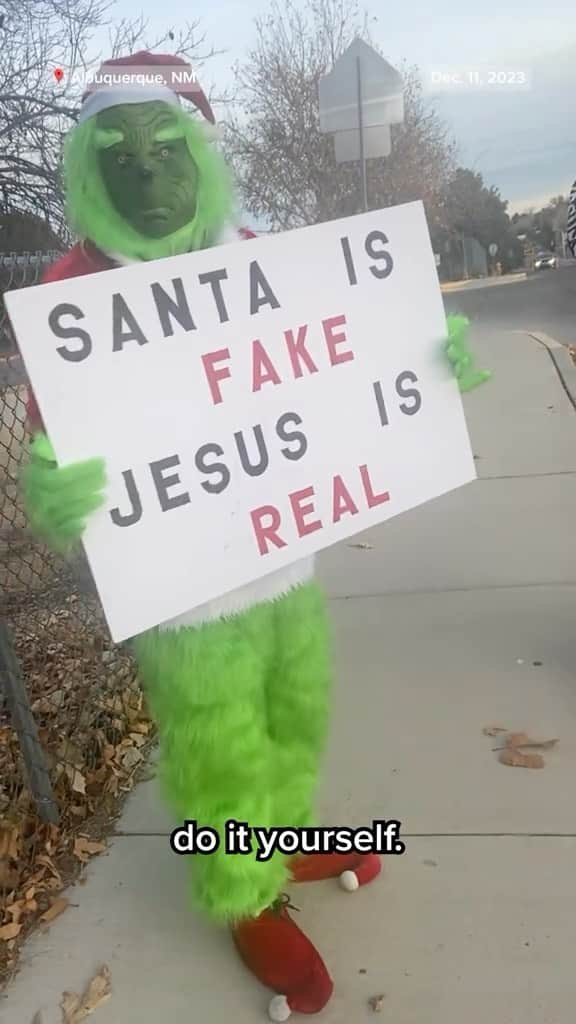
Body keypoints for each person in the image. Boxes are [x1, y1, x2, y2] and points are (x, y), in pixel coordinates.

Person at [20, 50, 490, 1021]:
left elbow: (348, 351)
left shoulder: (256, 251)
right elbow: (46, 436)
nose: (146, 174)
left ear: (201, 147)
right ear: (86, 168)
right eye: (118, 153)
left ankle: (278, 835)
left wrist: (430, 362)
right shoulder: (75, 293)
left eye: (166, 149)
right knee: (219, 745)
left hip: (284, 557)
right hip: (187, 593)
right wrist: (52, 486)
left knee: (294, 715)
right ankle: (241, 890)